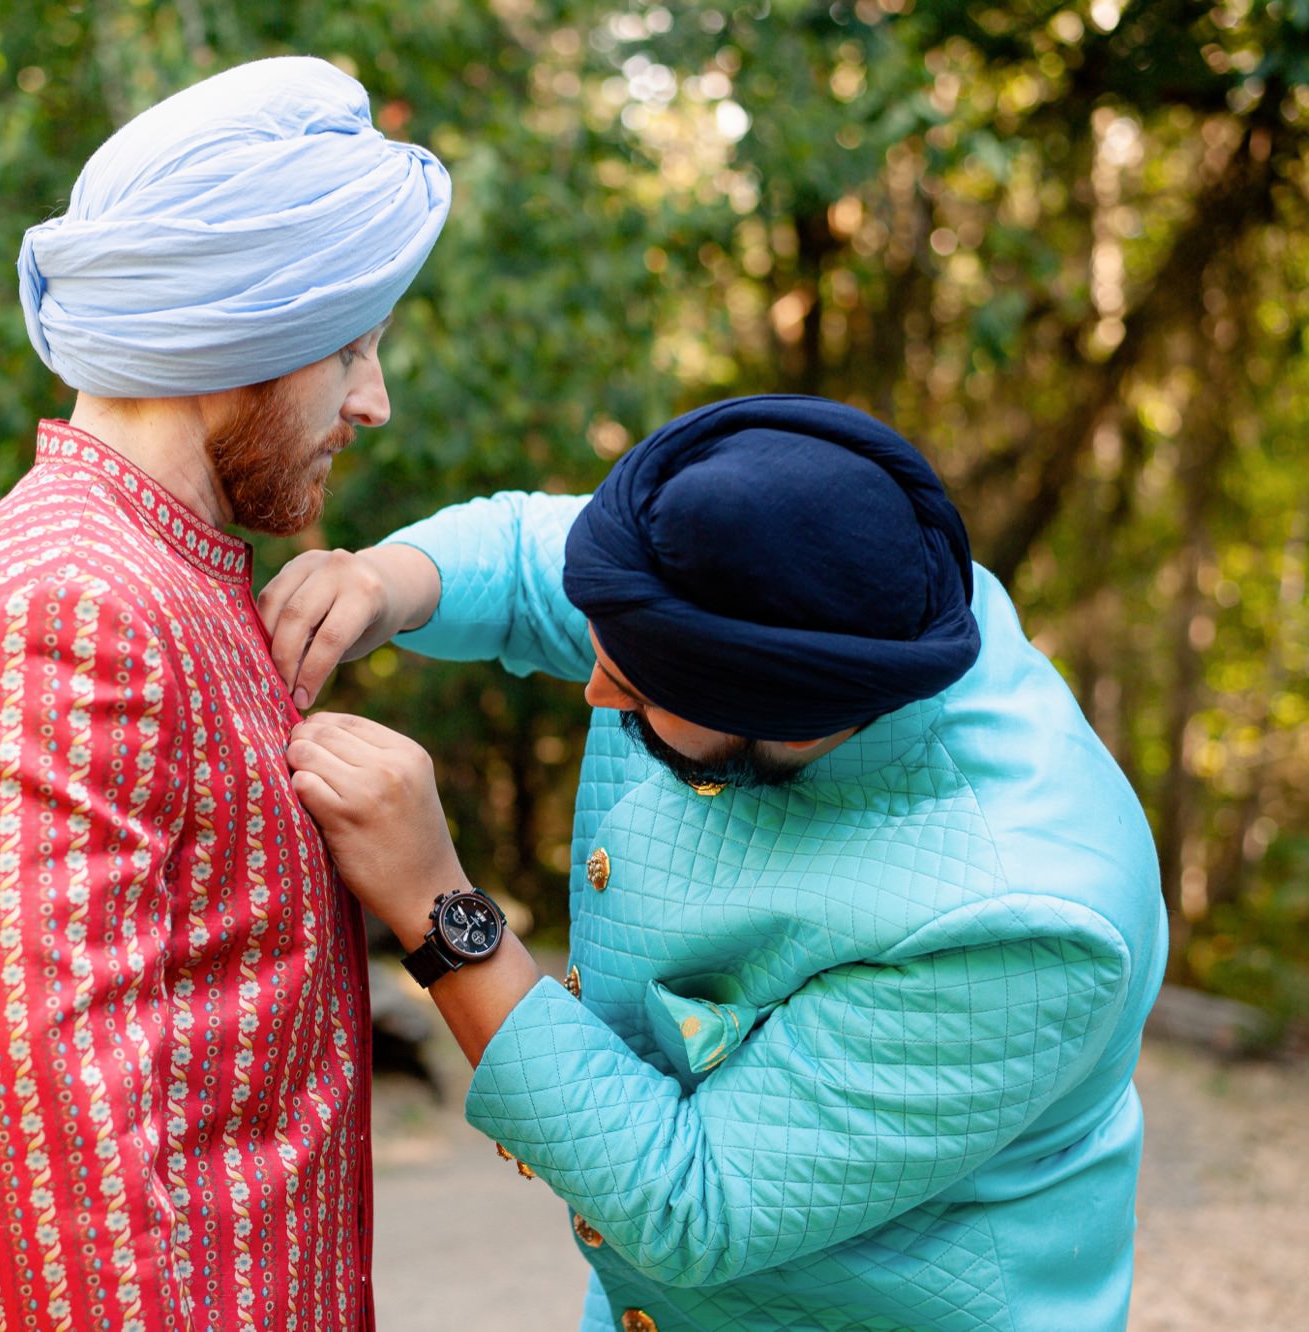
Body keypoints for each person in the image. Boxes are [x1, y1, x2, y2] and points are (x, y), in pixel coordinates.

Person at [267, 395, 1167, 1332]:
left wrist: (437, 905)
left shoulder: (1026, 920)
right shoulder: (815, 577)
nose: (594, 684)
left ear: (792, 713)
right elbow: (535, 556)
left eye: (642, 689)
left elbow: (694, 1201)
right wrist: (380, 581)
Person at [0, 56, 449, 1331]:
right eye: (347, 343)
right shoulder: (64, 608)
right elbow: (46, 1158)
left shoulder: (175, 576)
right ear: (231, 329)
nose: (372, 398)